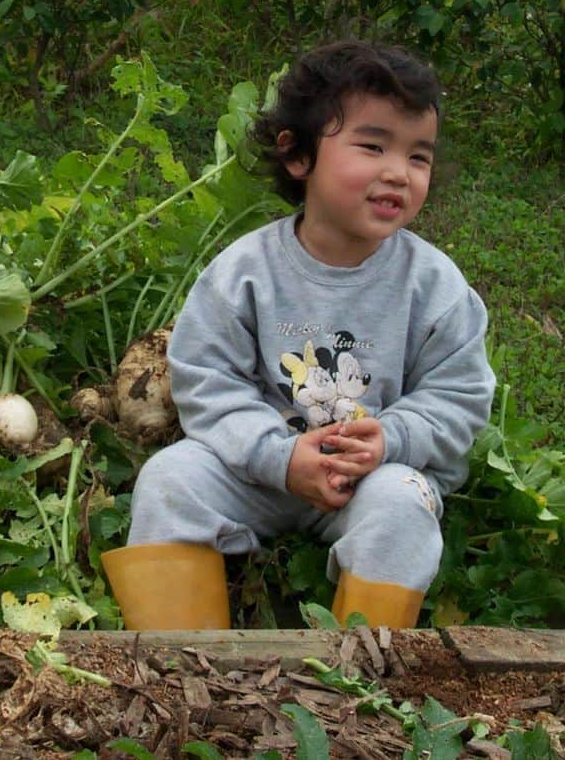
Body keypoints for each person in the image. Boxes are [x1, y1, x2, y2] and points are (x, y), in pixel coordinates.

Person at [101, 40, 496, 630]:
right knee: (169, 480)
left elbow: (459, 396)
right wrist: (278, 458)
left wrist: (391, 439)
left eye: (419, 156)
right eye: (372, 145)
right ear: (297, 156)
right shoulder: (244, 272)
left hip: (372, 477)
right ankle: (180, 663)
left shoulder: (434, 285)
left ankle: (362, 671)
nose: (398, 172)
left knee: (402, 505)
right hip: (259, 473)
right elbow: (208, 382)